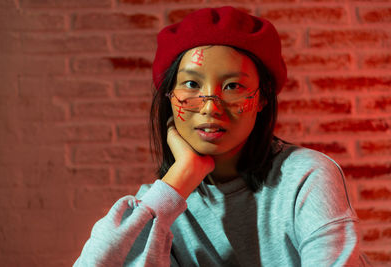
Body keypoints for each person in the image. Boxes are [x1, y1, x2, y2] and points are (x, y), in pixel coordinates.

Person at [73, 6, 370, 266]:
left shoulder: (307, 177)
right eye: (191, 83)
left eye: (232, 87)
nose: (210, 107)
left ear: (263, 97)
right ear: (168, 96)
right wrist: (181, 178)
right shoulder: (160, 205)